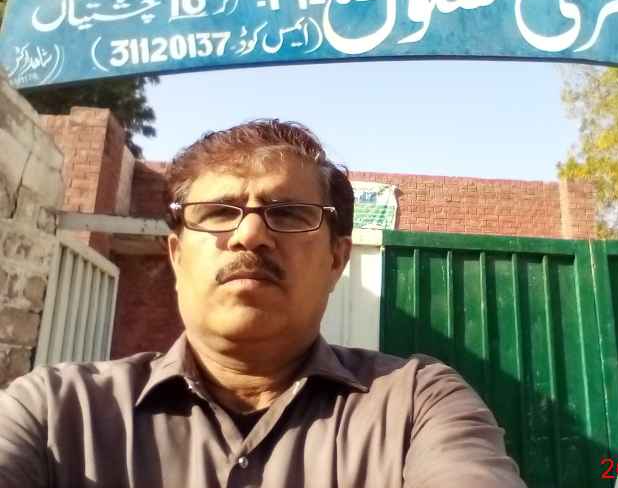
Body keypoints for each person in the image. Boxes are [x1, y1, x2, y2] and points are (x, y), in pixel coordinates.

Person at [0, 119, 526, 487]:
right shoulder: (53, 413)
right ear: (177, 255)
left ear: (337, 259)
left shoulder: (416, 407)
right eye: (218, 211)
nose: (250, 235)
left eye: (289, 213)